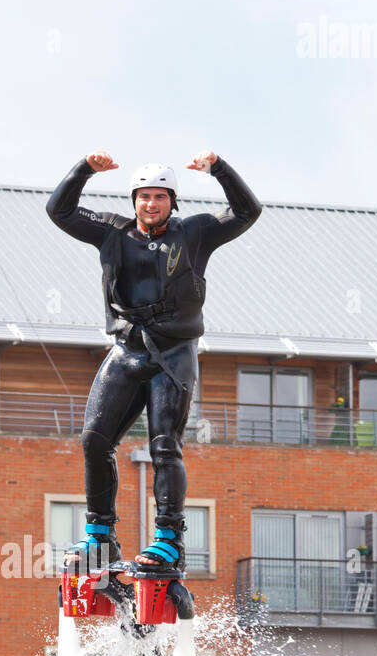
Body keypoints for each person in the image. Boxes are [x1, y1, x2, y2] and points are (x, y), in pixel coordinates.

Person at [46, 148, 261, 571]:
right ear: (133, 201)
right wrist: (83, 171)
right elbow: (60, 210)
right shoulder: (112, 231)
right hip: (127, 350)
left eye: (160, 196)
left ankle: (168, 540)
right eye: (143, 196)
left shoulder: (194, 233)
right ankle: (100, 537)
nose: (151, 203)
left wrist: (219, 169)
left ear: (172, 201)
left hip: (173, 355)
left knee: (164, 446)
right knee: (94, 440)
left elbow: (246, 211)